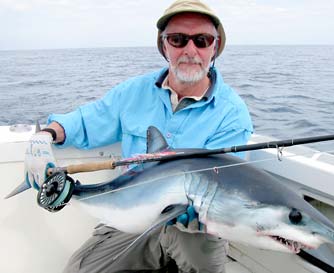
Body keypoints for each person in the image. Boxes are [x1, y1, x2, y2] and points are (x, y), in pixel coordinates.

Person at [24, 0, 253, 272]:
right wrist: (45, 136)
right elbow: (87, 120)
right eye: (178, 39)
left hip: (196, 230)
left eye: (201, 40)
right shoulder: (133, 92)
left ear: (214, 48)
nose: (190, 50)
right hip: (131, 219)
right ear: (164, 45)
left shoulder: (232, 113)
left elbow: (228, 180)